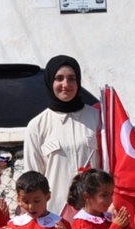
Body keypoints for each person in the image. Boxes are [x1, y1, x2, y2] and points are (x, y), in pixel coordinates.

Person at [23, 55, 101, 217]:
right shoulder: (37, 126)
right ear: (50, 81)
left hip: (95, 214)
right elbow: (33, 176)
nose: (66, 84)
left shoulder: (98, 118)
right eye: (59, 79)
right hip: (55, 214)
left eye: (72, 79)